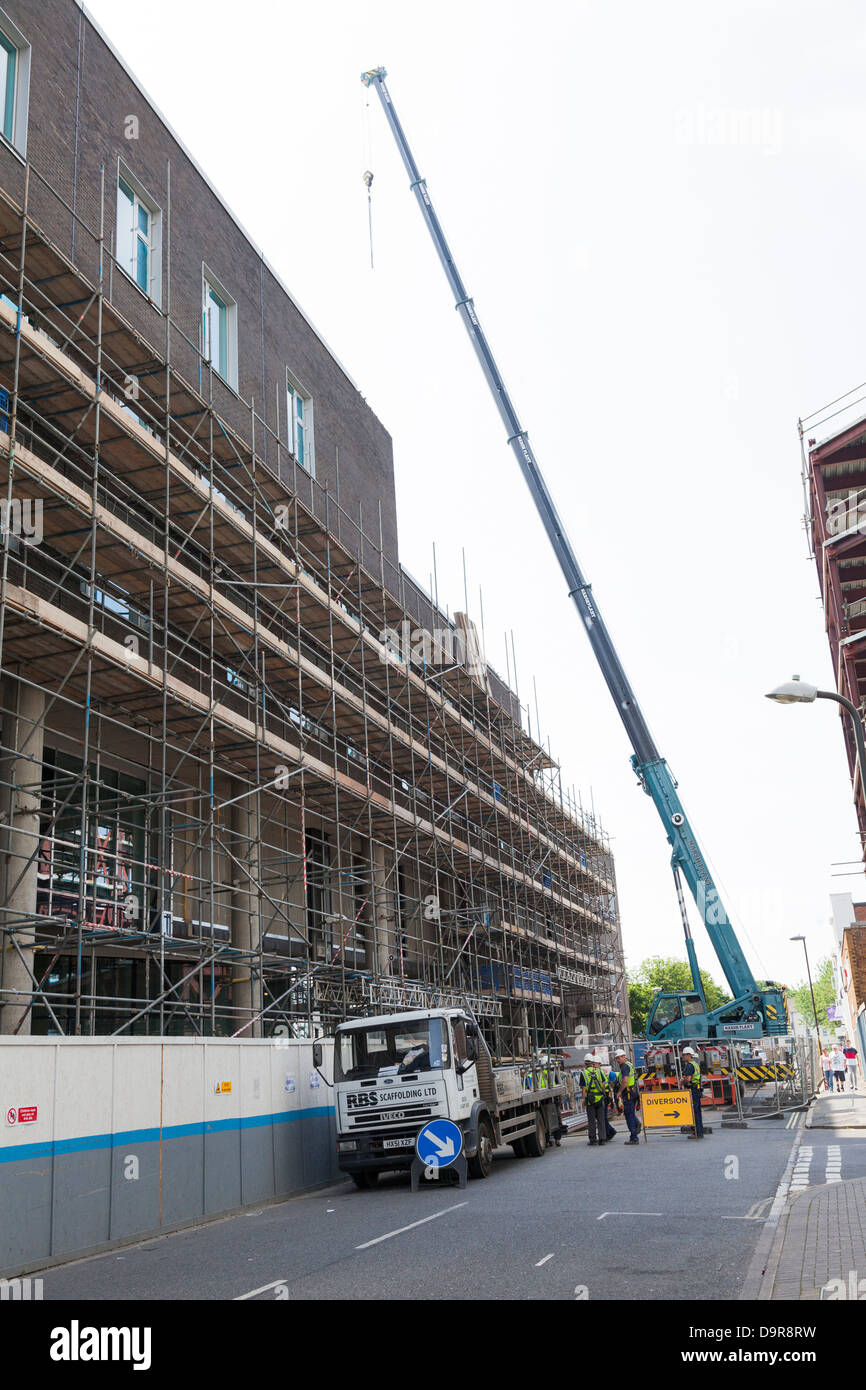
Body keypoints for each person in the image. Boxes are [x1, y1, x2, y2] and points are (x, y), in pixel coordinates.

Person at [579, 1053, 611, 1146]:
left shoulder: (583, 1073)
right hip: (599, 1098)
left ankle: (593, 1139)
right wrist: (603, 1093)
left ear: (585, 1063)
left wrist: (583, 1100)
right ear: (592, 1062)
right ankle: (602, 1139)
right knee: (601, 1120)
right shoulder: (598, 1071)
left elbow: (584, 1089)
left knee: (591, 1120)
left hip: (590, 1100)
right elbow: (604, 1083)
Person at [614, 1047, 641, 1145]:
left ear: (623, 1057)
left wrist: (619, 1092)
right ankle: (637, 1124)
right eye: (616, 1058)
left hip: (628, 1093)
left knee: (629, 1115)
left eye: (618, 1058)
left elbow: (625, 1080)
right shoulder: (629, 1064)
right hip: (633, 1092)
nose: (617, 1060)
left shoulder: (625, 1066)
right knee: (630, 1113)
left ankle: (634, 1137)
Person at [681, 1046, 706, 1139]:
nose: (683, 1056)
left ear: (688, 1055)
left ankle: (697, 1132)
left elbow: (688, 1079)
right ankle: (699, 1131)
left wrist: (681, 1081)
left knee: (694, 1111)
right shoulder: (695, 1064)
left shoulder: (690, 1065)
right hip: (697, 1089)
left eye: (684, 1055)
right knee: (697, 1111)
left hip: (693, 1089)